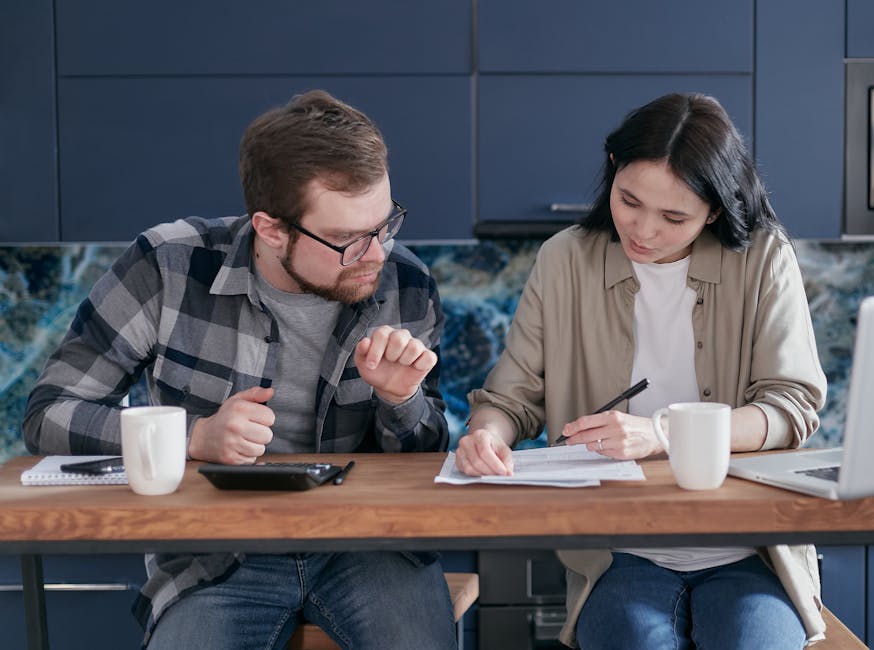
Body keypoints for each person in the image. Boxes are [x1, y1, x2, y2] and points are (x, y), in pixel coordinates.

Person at [23, 89, 457, 650]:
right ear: (271, 229)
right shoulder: (168, 266)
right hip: (214, 552)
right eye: (349, 239)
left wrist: (403, 403)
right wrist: (194, 436)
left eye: (385, 224)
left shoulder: (407, 284)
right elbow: (48, 416)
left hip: (368, 543)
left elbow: (427, 466)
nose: (377, 253)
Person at [454, 93, 827, 649]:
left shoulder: (764, 258)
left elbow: (791, 408)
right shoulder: (565, 259)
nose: (644, 231)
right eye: (629, 201)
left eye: (674, 217)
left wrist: (663, 434)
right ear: (611, 169)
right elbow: (513, 397)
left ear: (716, 211)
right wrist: (485, 434)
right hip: (619, 550)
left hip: (750, 548)